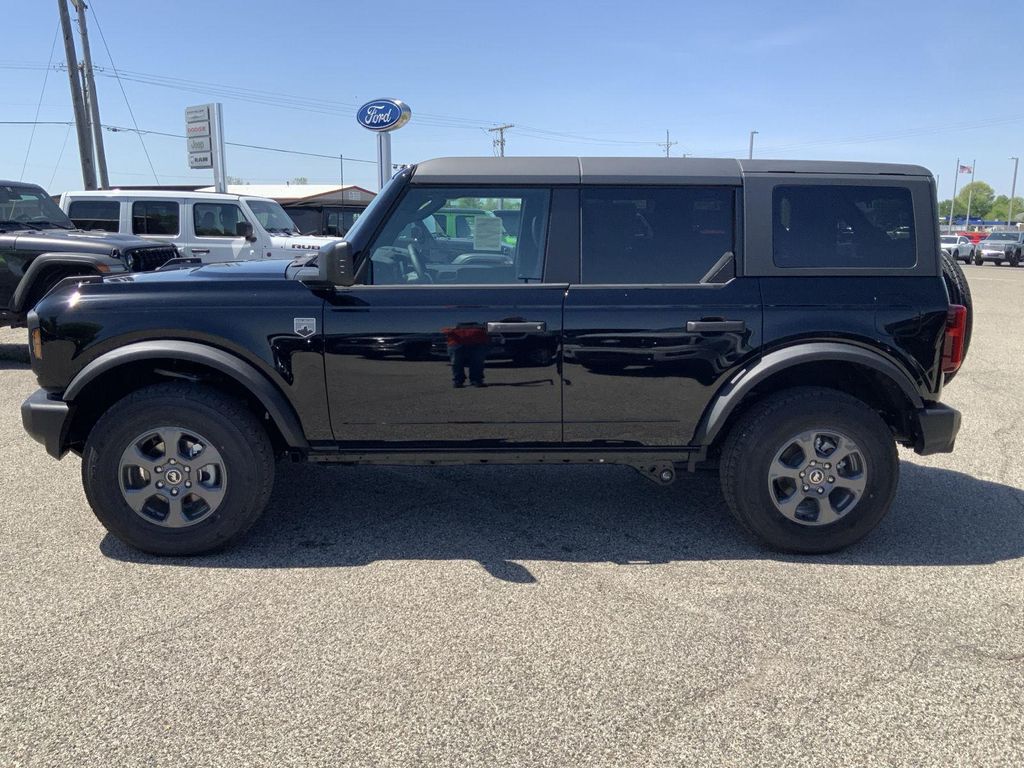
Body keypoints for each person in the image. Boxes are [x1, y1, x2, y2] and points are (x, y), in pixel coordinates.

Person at [442, 322, 489, 387]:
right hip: (456, 343)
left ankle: (476, 380)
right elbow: (444, 329)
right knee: (456, 363)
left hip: (477, 343)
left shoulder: (479, 319)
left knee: (477, 362)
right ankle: (458, 381)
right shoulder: (451, 318)